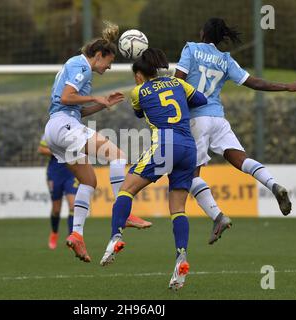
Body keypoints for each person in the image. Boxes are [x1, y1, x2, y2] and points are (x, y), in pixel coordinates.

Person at [174, 18, 296, 244]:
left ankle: (218, 216)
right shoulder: (226, 60)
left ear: (204, 32)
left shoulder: (191, 48)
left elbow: (178, 82)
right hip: (218, 118)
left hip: (196, 119)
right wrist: (286, 86)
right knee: (240, 159)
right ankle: (273, 184)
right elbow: (255, 83)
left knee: (191, 175)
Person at [99, 48, 208, 290]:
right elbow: (202, 100)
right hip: (189, 149)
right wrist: (182, 92)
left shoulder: (138, 91)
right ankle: (181, 256)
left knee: (126, 190)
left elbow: (139, 112)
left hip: (165, 145)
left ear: (139, 75)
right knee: (178, 208)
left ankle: (115, 236)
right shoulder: (178, 84)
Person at [43, 22, 152, 263]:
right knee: (119, 156)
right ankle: (122, 212)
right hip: (64, 126)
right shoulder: (81, 64)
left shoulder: (76, 67)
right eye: (109, 62)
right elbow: (66, 97)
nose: (109, 67)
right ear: (99, 55)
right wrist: (96, 97)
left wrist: (102, 104)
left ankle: (77, 235)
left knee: (89, 181)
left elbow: (75, 109)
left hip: (56, 129)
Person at [38, 137, 77, 249]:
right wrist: (59, 152)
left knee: (73, 205)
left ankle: (72, 238)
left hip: (71, 172)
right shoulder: (51, 132)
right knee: (56, 209)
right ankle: (54, 233)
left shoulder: (75, 131)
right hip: (55, 174)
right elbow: (41, 149)